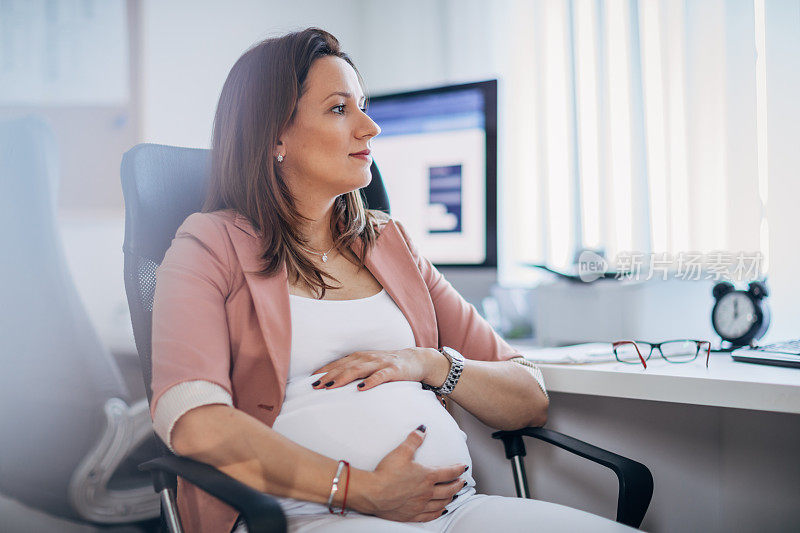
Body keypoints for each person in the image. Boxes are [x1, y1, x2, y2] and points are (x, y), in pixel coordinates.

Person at [149, 27, 639, 533]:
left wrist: (429, 363)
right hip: (309, 519)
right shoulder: (210, 244)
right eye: (340, 109)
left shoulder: (388, 243)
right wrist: (359, 489)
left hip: (457, 512)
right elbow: (194, 423)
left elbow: (527, 397)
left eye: (363, 105)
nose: (371, 128)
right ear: (275, 134)